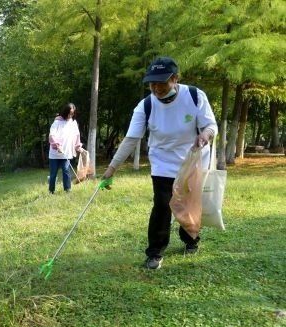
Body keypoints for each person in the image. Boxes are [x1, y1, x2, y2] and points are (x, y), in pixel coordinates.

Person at [101, 57, 218, 270]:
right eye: (152, 84)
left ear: (175, 79)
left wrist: (205, 135)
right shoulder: (145, 105)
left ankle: (190, 239)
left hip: (193, 158)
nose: (156, 88)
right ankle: (155, 252)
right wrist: (112, 168)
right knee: (163, 204)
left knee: (188, 203)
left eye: (161, 83)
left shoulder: (194, 96)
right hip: (163, 160)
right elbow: (131, 139)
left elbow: (210, 125)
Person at [48, 103, 84, 193]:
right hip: (55, 153)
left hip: (67, 152)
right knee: (53, 174)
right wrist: (57, 145)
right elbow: (51, 134)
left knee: (66, 171)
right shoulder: (57, 122)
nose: (70, 115)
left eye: (72, 113)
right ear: (65, 112)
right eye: (69, 113)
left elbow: (77, 135)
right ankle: (51, 191)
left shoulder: (73, 122)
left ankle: (67, 189)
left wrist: (78, 146)